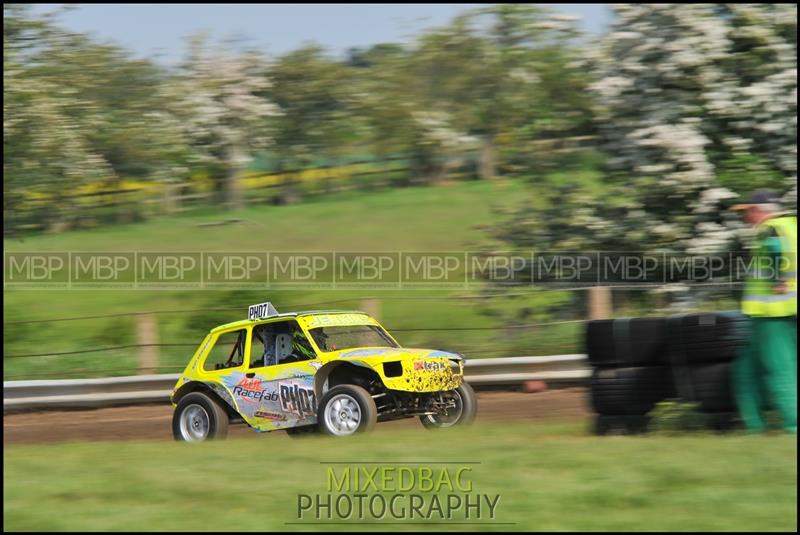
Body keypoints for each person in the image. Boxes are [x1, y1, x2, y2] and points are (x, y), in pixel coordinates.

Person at [731, 189, 797, 433]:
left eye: (747, 211)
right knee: (745, 371)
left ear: (759, 210)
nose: (746, 217)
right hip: (774, 315)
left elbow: (775, 249)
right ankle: (755, 428)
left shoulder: (769, 229)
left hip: (774, 314)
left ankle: (794, 427)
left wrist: (777, 278)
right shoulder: (792, 225)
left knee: (781, 370)